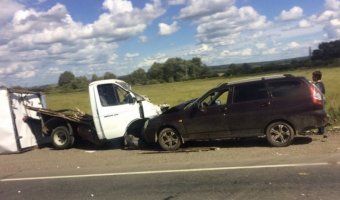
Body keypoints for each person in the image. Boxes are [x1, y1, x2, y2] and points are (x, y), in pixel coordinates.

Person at [312, 70, 326, 137]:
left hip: (319, 102)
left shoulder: (318, 84)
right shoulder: (320, 83)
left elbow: (318, 92)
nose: (312, 77)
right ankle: (320, 130)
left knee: (320, 116)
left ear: (317, 77)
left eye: (313, 76)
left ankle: (321, 131)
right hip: (321, 101)